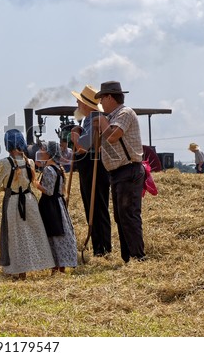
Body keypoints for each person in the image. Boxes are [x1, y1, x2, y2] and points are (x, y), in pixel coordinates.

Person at [93, 81, 147, 263]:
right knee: (121, 216)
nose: (101, 102)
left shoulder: (125, 113)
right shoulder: (111, 116)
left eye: (102, 98)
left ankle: (137, 257)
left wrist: (101, 122)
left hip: (128, 170)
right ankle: (128, 258)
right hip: (117, 173)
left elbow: (114, 136)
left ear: (109, 97)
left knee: (128, 214)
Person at [0, 130, 55, 280]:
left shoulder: (3, 163)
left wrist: (5, 189)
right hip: (29, 200)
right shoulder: (30, 162)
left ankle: (20, 271)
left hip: (13, 201)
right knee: (35, 232)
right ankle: (42, 263)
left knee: (15, 235)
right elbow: (32, 182)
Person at [69, 85, 112, 257]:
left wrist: (75, 137)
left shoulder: (94, 117)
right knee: (93, 206)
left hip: (94, 165)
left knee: (95, 206)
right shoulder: (88, 119)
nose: (77, 103)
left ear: (86, 104)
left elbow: (83, 146)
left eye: (79, 101)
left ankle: (101, 248)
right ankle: (100, 246)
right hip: (90, 165)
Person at [35, 141, 78, 273]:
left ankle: (56, 267)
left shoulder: (48, 169)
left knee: (52, 234)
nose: (40, 152)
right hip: (58, 204)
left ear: (48, 153)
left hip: (50, 205)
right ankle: (61, 267)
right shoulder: (58, 168)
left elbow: (48, 191)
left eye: (43, 150)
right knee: (58, 233)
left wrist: (35, 183)